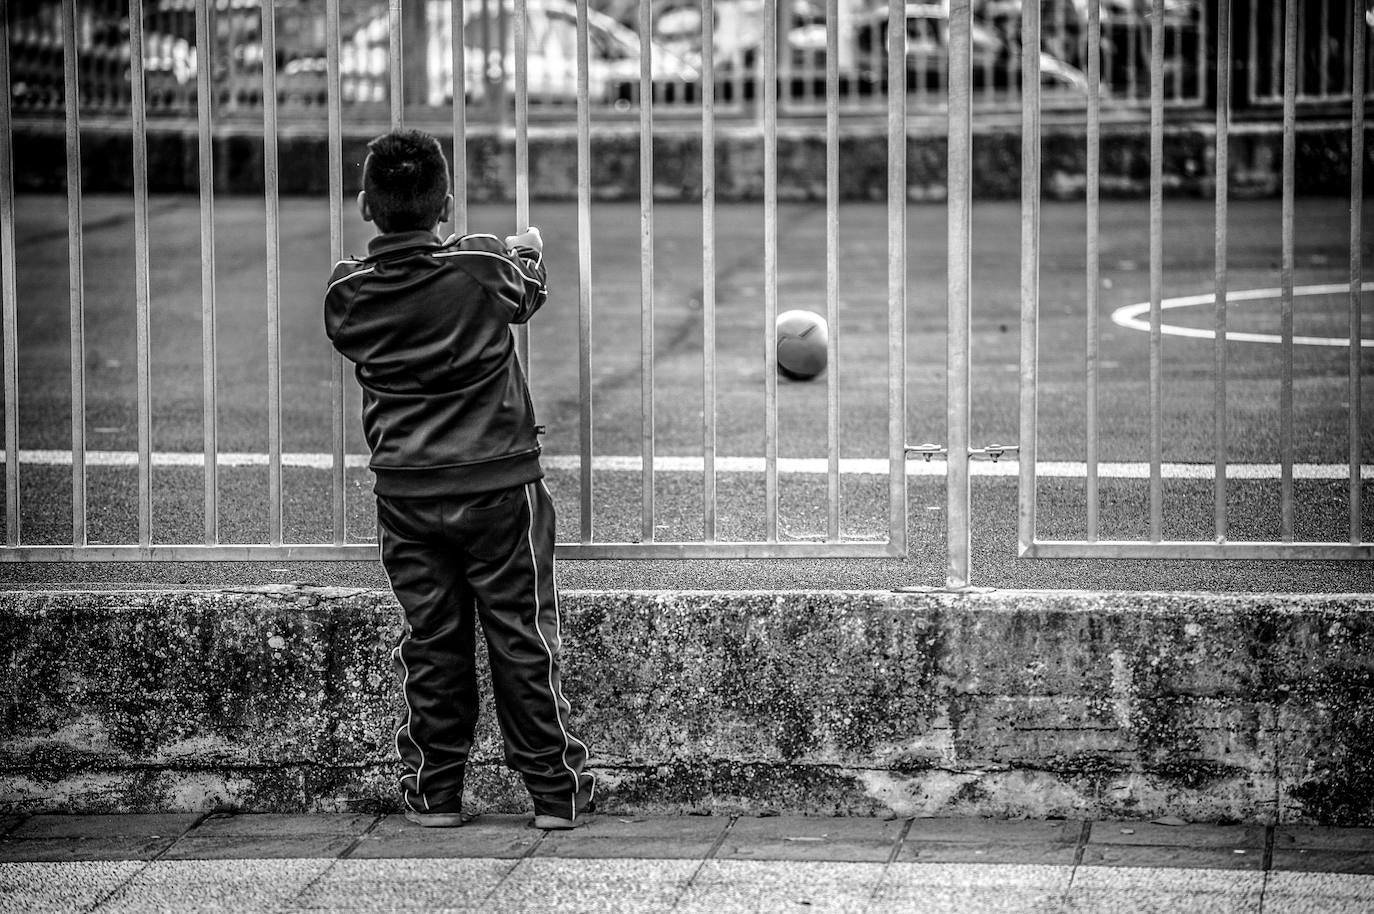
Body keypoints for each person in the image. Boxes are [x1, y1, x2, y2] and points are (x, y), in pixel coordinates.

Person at [324, 128, 595, 830]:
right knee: (522, 636)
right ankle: (555, 794)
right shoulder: (479, 263)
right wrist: (527, 246)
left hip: (408, 495)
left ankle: (436, 792)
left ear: (365, 205)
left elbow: (378, 299)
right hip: (501, 486)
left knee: (433, 643)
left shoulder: (349, 293)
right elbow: (525, 289)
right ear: (446, 205)